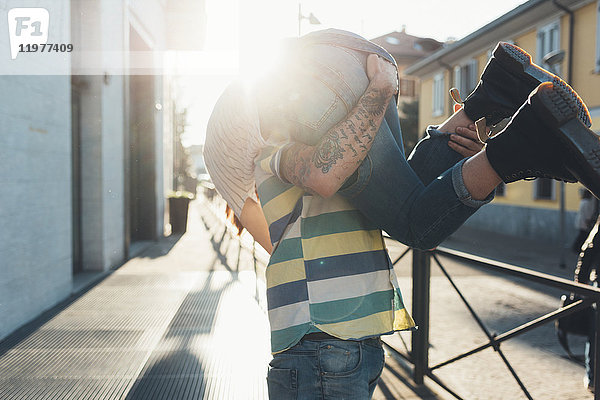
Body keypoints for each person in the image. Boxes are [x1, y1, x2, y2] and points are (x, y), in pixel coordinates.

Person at [205, 30, 600, 399]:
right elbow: (396, 186)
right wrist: (389, 93)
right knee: (409, 203)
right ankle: (496, 94)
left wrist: (379, 90)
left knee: (416, 225)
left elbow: (323, 175)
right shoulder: (316, 177)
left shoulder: (269, 151)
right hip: (350, 345)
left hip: (319, 347)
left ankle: (518, 146)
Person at [572, 189, 599, 253]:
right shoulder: (587, 203)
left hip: (581, 221)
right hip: (584, 222)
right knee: (582, 236)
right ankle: (576, 248)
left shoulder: (583, 201)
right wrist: (588, 221)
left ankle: (576, 247)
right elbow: (587, 213)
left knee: (581, 235)